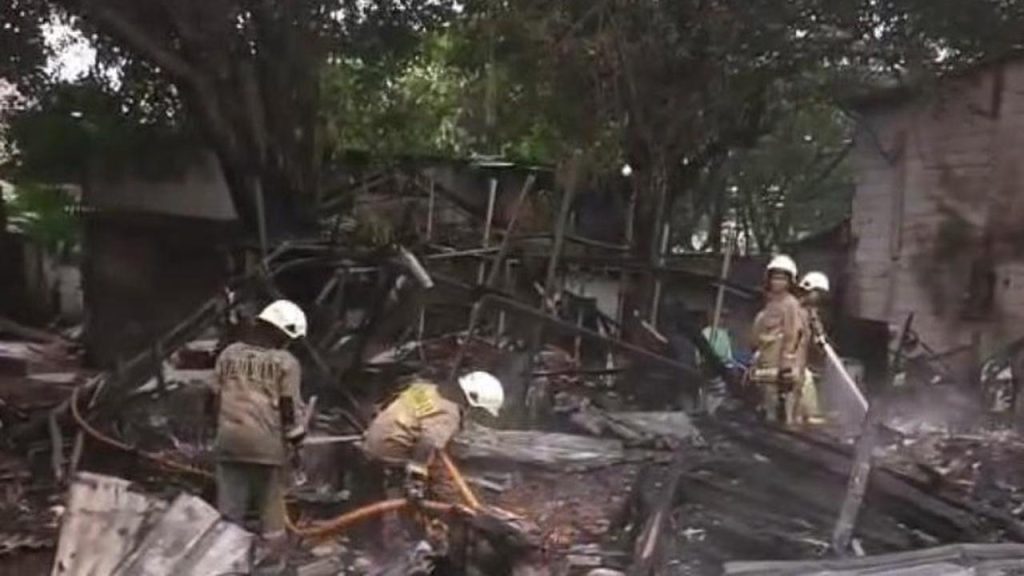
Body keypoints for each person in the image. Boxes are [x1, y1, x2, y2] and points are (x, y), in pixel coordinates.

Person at [209, 299, 307, 543]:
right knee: (272, 515)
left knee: (230, 516)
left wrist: (217, 432)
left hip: (229, 442)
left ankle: (227, 564)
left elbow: (211, 398)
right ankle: (274, 564)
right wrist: (296, 444)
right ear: (281, 331)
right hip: (267, 446)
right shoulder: (285, 362)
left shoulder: (228, 354)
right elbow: (288, 407)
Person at [363, 371, 504, 501]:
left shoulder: (424, 388)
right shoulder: (448, 414)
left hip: (372, 441)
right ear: (470, 399)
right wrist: (417, 476)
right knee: (439, 486)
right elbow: (428, 442)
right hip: (391, 451)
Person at [749, 255, 807, 424]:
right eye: (775, 277)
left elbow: (792, 333)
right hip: (766, 357)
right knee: (767, 397)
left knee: (787, 397)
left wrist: (787, 362)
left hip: (781, 359)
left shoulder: (791, 304)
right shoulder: (770, 304)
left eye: (782, 278)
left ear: (790, 281)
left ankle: (787, 427)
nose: (778, 282)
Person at [796, 271, 830, 424]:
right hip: (788, 362)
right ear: (810, 291)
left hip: (800, 362)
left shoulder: (811, 313)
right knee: (806, 380)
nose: (820, 299)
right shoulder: (795, 310)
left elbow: (818, 337)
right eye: (819, 293)